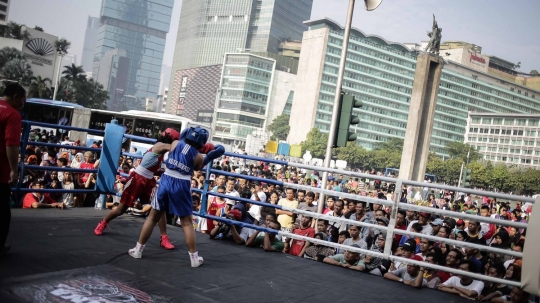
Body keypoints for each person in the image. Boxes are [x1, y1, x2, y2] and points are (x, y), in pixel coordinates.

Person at [128, 127, 224, 267]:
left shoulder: (174, 144)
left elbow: (181, 142)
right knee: (186, 222)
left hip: (167, 180)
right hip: (182, 183)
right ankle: (194, 258)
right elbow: (198, 168)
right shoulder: (197, 156)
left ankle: (138, 250)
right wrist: (210, 154)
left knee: (153, 217)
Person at [94, 129, 180, 251]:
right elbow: (175, 148)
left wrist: (161, 172)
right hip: (137, 180)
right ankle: (103, 223)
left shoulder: (160, 150)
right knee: (121, 209)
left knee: (159, 208)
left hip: (149, 181)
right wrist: (194, 147)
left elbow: (150, 168)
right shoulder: (161, 146)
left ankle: (164, 237)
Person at [0, 83, 25, 256]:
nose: (23, 105)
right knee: (2, 213)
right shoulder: (13, 115)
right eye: (23, 101)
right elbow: (12, 144)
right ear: (16, 97)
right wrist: (14, 170)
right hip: (0, 171)